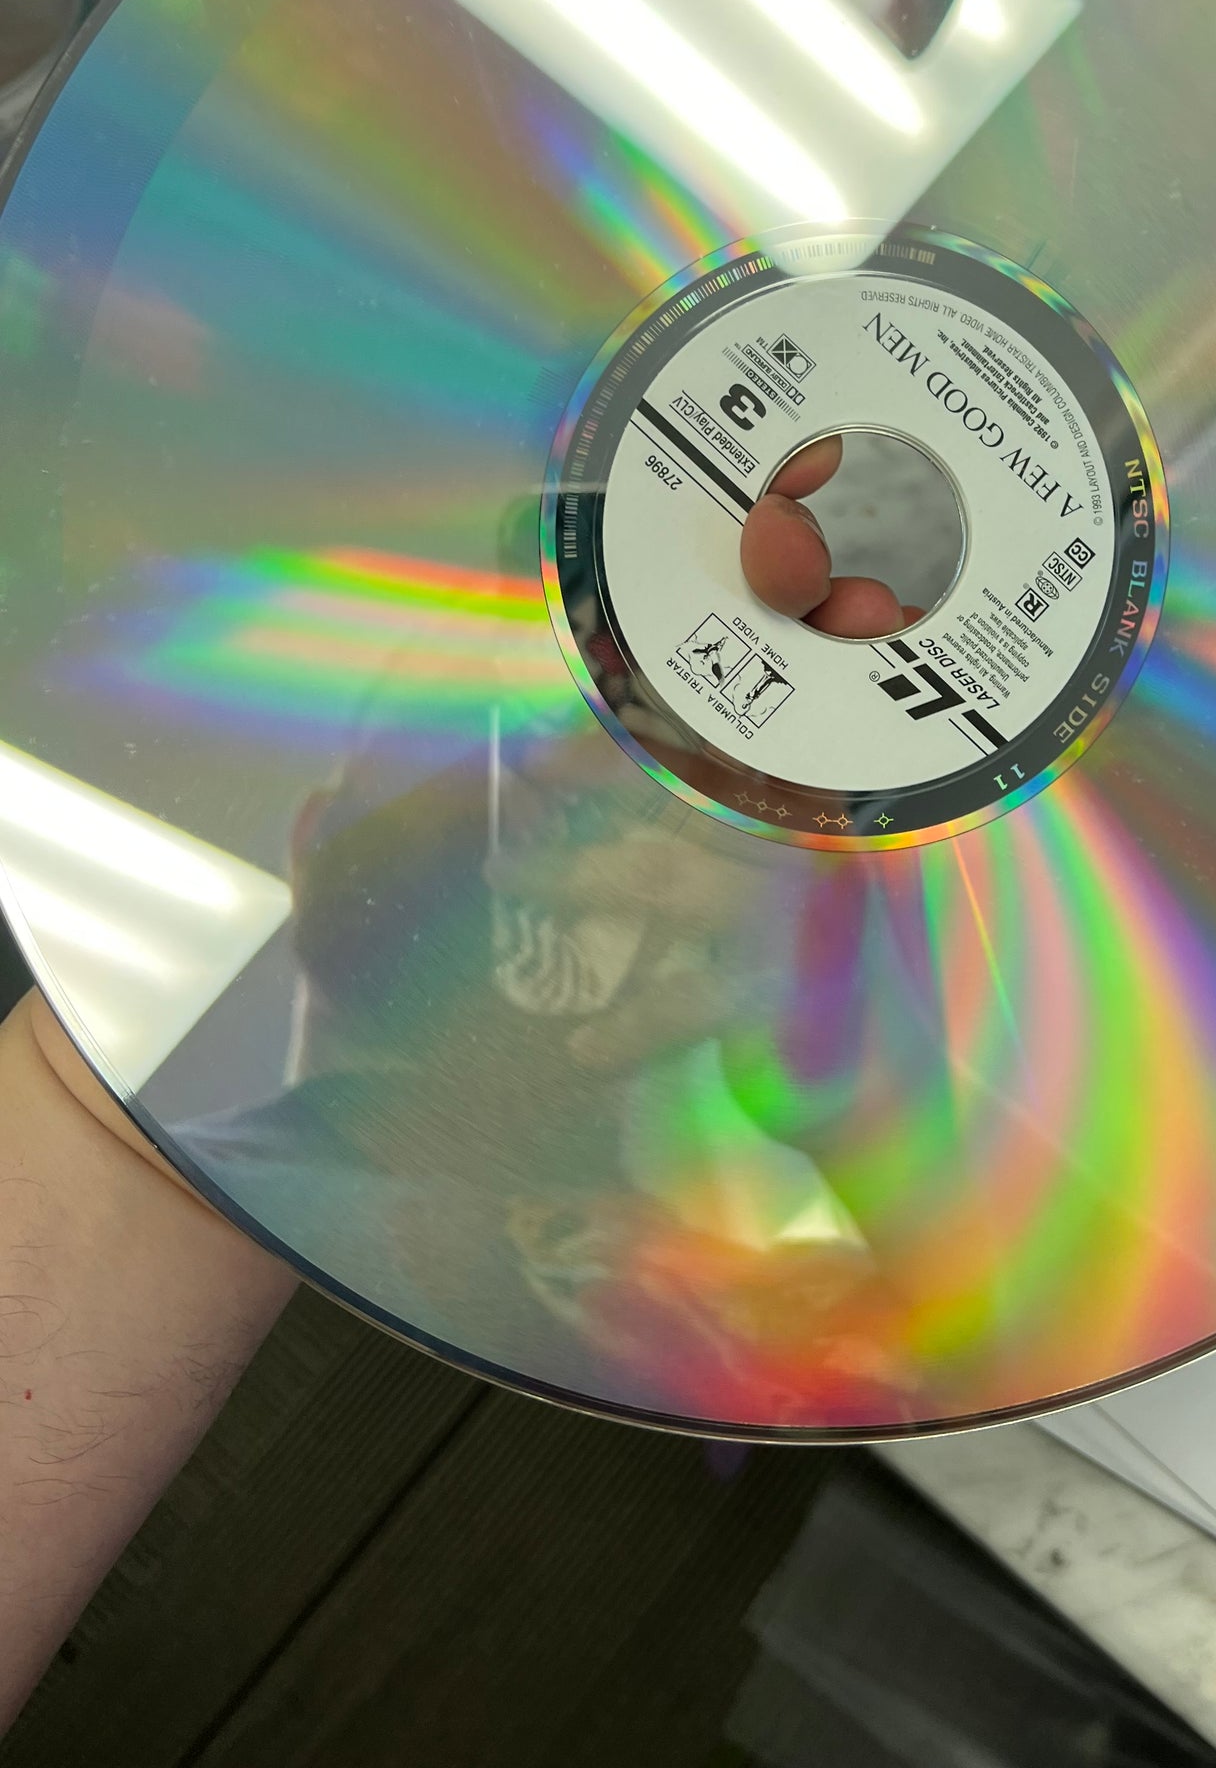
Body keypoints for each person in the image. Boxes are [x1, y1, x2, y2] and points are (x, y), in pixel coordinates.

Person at [0, 447, 891, 1729]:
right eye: (515, 751)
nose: (585, 792)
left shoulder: (769, 1245)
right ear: (314, 840)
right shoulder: (198, 1177)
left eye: (649, 778)